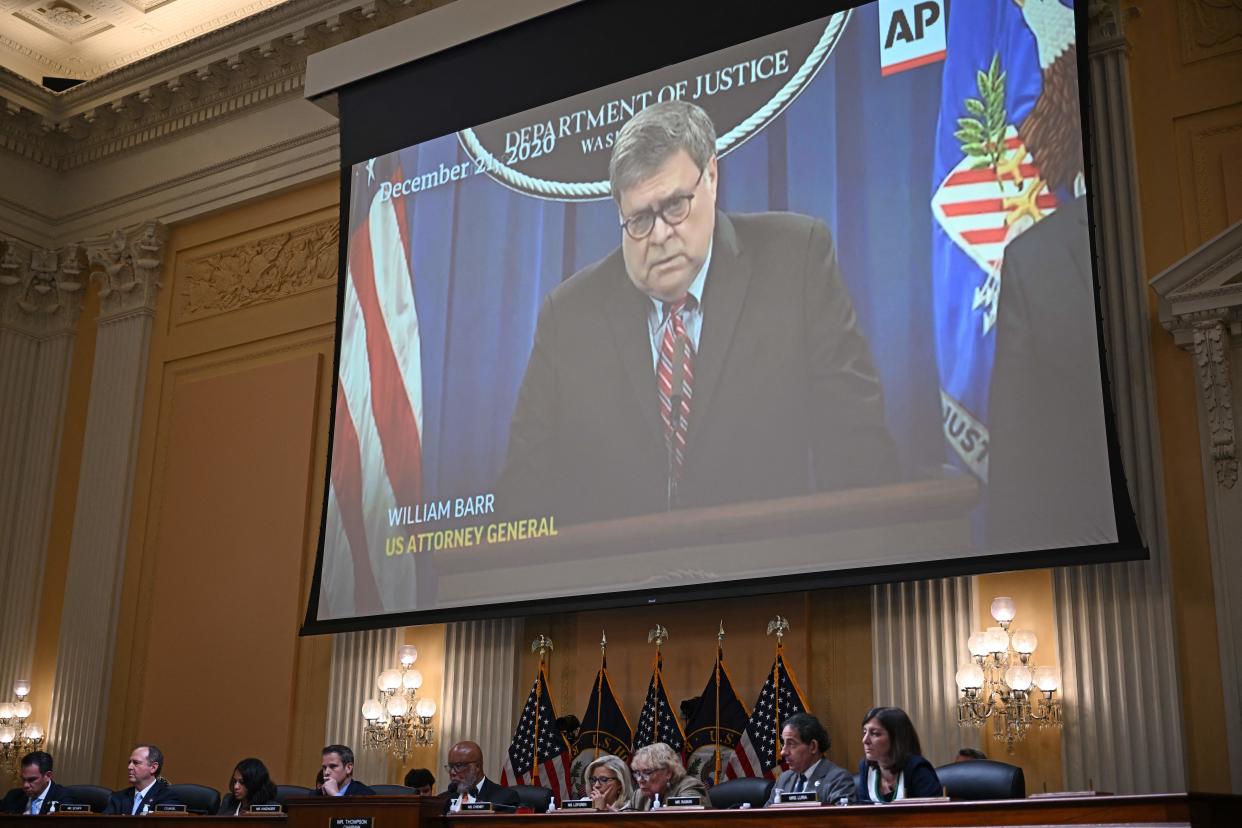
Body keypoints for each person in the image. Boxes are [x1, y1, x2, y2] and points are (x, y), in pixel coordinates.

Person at [495, 100, 896, 527]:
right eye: (640, 219)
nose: (661, 236)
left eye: (674, 207)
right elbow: (523, 499)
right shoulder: (569, 318)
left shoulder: (794, 262)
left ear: (711, 177)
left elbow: (859, 452)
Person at [764, 713, 855, 805]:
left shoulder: (838, 780)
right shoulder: (784, 779)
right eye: (784, 743)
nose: (783, 752)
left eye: (791, 744)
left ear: (813, 746)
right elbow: (764, 818)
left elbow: (841, 819)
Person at [856, 707, 942, 803]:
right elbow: (862, 812)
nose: (865, 740)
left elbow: (934, 814)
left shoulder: (917, 769)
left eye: (875, 733)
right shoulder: (866, 767)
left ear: (896, 738)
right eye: (864, 732)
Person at [625, 742, 710, 810]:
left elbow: (684, 821)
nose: (640, 780)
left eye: (647, 772)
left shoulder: (690, 786)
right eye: (637, 773)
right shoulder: (639, 796)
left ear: (668, 772)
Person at [103, 744, 180, 814]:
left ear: (153, 768)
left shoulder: (167, 797)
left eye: (136, 763)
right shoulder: (119, 797)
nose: (129, 767)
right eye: (129, 762)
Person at [442, 741, 519, 808]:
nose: (452, 772)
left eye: (458, 766)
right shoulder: (443, 800)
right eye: (451, 767)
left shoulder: (504, 798)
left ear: (477, 766)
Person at [0, 751, 75, 815]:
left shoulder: (63, 798)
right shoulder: (13, 796)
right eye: (23, 779)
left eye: (31, 780)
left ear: (48, 776)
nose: (25, 785)